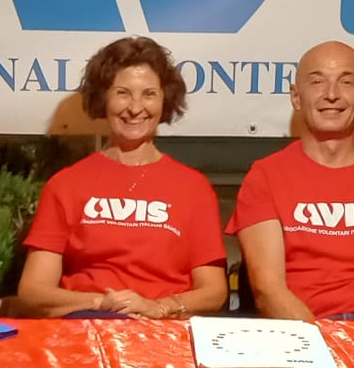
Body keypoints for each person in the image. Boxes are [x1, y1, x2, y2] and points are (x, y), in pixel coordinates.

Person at [17, 36, 227, 319]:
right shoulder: (65, 184)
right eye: (123, 93)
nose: (135, 108)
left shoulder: (194, 188)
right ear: (103, 98)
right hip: (85, 326)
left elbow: (214, 291)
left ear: (165, 99)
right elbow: (33, 291)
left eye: (149, 94)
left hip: (163, 332)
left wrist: (158, 307)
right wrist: (103, 303)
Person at [228, 40, 354, 319]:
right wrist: (322, 340)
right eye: (317, 82)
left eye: (346, 82)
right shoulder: (264, 177)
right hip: (304, 328)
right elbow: (269, 291)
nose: (332, 94)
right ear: (296, 97)